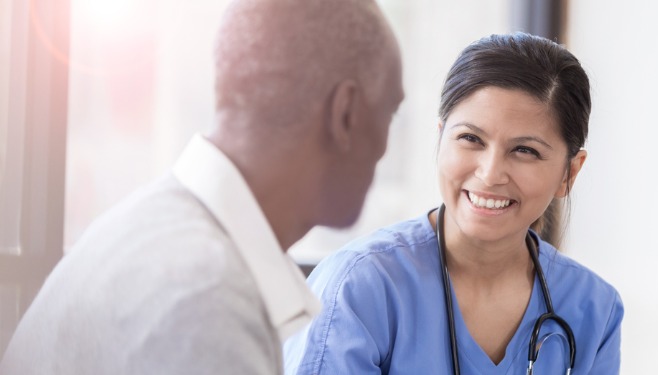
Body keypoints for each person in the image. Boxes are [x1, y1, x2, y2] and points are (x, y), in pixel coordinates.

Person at [0, 0, 403, 373]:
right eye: (389, 112)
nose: (387, 147)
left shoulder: (150, 227)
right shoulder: (204, 300)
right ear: (346, 114)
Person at [283, 32, 623, 375]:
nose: (490, 174)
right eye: (470, 139)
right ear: (441, 137)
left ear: (570, 173)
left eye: (525, 150)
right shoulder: (360, 287)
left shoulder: (593, 309)